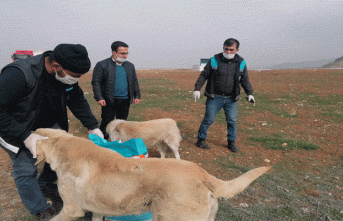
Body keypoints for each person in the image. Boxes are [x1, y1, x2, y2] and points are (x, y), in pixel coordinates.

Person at [0, 44, 104, 220]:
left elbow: (76, 99)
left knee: (60, 157)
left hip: (48, 126)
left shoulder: (64, 77)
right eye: (75, 76)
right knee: (25, 169)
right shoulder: (19, 75)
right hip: (14, 127)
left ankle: (46, 183)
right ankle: (39, 208)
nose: (76, 79)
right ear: (57, 66)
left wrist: (93, 125)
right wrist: (25, 136)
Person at [193, 38, 255, 152]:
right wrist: (197, 89)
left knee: (232, 121)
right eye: (226, 49)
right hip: (215, 97)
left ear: (237, 50)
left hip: (232, 98)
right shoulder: (214, 60)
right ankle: (200, 140)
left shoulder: (241, 62)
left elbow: (244, 79)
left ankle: (231, 143)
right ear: (223, 48)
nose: (228, 52)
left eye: (231, 50)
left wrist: (250, 93)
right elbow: (204, 75)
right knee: (209, 119)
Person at [92, 41, 141, 139]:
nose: (125, 56)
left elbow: (134, 81)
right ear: (114, 52)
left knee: (122, 123)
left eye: (127, 53)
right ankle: (103, 143)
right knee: (107, 122)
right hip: (109, 100)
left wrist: (137, 95)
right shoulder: (102, 65)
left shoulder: (130, 66)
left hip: (125, 100)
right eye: (122, 53)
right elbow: (96, 82)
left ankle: (119, 142)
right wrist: (99, 97)